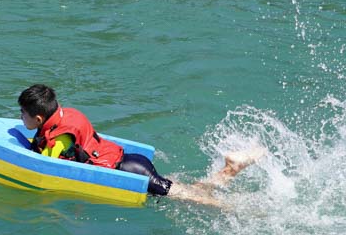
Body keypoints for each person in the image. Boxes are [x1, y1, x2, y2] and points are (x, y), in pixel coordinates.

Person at [17, 84, 263, 206]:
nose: (20, 117)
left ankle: (248, 214)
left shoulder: (58, 138)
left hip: (130, 173)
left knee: (200, 203)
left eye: (22, 114)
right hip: (131, 161)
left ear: (38, 118)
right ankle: (231, 168)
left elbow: (45, 167)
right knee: (190, 191)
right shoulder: (66, 115)